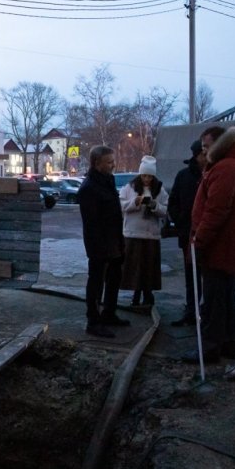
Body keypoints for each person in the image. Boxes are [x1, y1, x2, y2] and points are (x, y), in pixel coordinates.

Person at [182, 126, 235, 364]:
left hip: (218, 246)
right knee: (224, 299)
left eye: (206, 146)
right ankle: (226, 345)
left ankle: (210, 349)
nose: (204, 151)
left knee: (213, 301)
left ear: (219, 144)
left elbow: (216, 210)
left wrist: (199, 240)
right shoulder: (234, 165)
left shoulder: (225, 168)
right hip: (226, 245)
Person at [77, 145, 130, 338]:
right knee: (96, 281)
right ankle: (93, 320)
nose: (113, 165)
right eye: (109, 162)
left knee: (114, 278)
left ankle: (109, 313)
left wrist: (119, 242)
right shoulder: (89, 187)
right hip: (99, 245)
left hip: (114, 240)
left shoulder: (107, 180)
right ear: (96, 163)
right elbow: (92, 224)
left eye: (113, 161)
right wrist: (101, 247)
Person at [119, 156, 169, 307]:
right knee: (135, 267)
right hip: (133, 234)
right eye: (144, 175)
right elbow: (121, 205)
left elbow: (165, 210)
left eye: (149, 176)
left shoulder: (159, 190)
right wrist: (135, 202)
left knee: (148, 268)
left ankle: (147, 294)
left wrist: (154, 205)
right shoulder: (130, 187)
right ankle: (136, 294)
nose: (146, 179)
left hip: (150, 235)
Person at [167, 139, 207, 326]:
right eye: (203, 154)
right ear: (196, 155)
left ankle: (207, 312)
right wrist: (182, 221)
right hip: (188, 234)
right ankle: (191, 311)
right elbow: (173, 201)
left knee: (210, 277)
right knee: (192, 275)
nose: (206, 157)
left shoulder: (213, 174)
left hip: (209, 235)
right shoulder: (184, 176)